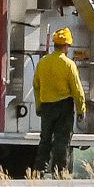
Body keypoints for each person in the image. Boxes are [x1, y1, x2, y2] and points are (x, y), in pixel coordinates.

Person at [33, 27, 87, 176]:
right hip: (64, 106)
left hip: (46, 106)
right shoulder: (69, 64)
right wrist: (81, 110)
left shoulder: (43, 63)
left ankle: (38, 170)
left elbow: (36, 86)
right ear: (66, 46)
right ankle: (60, 172)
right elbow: (77, 90)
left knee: (45, 139)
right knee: (62, 141)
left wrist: (39, 106)